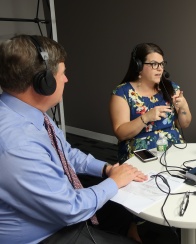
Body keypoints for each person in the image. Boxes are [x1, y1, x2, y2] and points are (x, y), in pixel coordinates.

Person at [0, 34, 147, 244]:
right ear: (44, 82)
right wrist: (115, 181)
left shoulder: (30, 112)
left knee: (120, 212)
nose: (66, 79)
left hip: (60, 205)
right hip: (47, 234)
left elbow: (66, 153)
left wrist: (106, 170)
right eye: (62, 73)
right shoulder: (17, 144)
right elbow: (70, 209)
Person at [109, 43, 192, 163]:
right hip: (140, 155)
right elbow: (120, 133)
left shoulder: (171, 88)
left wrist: (184, 106)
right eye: (154, 64)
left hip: (173, 150)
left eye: (162, 64)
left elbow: (184, 124)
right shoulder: (122, 93)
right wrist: (146, 117)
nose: (160, 68)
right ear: (139, 66)